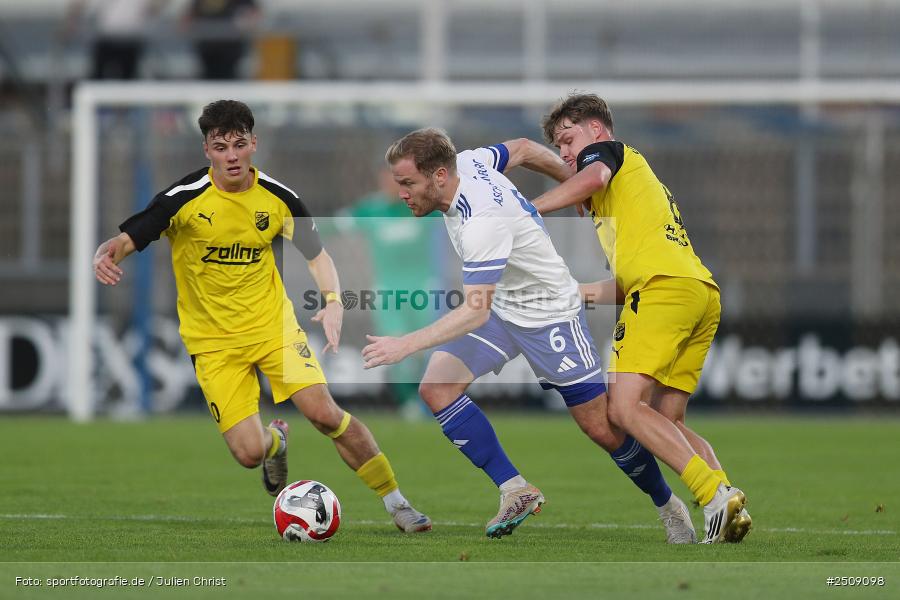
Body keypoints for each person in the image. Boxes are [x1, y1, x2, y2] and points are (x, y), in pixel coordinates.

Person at [92, 100, 431, 534]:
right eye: (220, 147)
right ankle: (276, 442)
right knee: (249, 453)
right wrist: (105, 255)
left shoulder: (279, 198)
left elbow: (317, 254)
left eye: (238, 144)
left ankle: (397, 503)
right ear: (207, 151)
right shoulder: (181, 200)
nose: (231, 155)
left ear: (254, 143)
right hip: (212, 343)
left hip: (273, 329)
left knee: (325, 414)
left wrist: (332, 299)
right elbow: (124, 242)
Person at [363, 128, 696, 542]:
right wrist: (571, 182)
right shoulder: (469, 160)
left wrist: (405, 345)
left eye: (408, 183)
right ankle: (515, 489)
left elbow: (472, 311)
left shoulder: (481, 222)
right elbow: (521, 148)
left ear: (440, 176)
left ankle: (669, 506)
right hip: (504, 308)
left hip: (549, 313)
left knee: (603, 428)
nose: (402, 194)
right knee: (437, 387)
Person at [530, 93, 752, 544]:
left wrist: (531, 210)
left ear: (596, 130)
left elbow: (590, 175)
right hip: (697, 291)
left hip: (664, 290)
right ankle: (730, 500)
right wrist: (578, 294)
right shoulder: (630, 193)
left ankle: (712, 495)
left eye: (567, 139)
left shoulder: (606, 154)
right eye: (558, 147)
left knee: (624, 408)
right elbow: (626, 280)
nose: (565, 153)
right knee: (667, 420)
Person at [325, 164, 442, 420]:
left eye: (401, 181)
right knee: (395, 344)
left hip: (423, 288)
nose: (394, 185)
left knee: (425, 347)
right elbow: (334, 226)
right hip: (388, 292)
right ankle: (409, 403)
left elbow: (454, 217)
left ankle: (426, 398)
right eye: (389, 179)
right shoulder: (371, 209)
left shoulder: (423, 206)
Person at [183, 0, 260, 80]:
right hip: (207, 52)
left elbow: (254, 14)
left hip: (231, 51)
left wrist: (247, 22)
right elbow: (187, 18)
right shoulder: (201, 2)